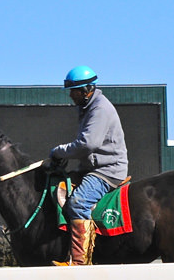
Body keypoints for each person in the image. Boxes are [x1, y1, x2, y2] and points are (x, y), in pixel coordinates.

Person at [49, 65, 129, 266]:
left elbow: (87, 144)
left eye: (73, 92)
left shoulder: (100, 109)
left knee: (78, 202)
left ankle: (79, 262)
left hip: (107, 171)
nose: (70, 96)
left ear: (86, 90)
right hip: (91, 168)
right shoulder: (87, 106)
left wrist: (58, 151)